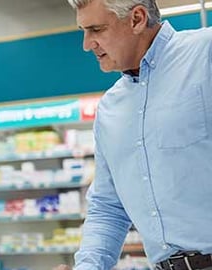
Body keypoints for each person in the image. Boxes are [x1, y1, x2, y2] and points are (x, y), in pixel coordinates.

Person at [56, 0, 212, 269]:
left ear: (137, 19)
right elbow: (107, 208)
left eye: (96, 29)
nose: (86, 44)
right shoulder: (110, 109)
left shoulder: (205, 55)